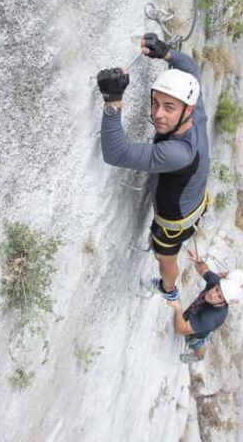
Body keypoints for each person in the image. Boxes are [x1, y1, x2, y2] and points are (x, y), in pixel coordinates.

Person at [97, 34, 209, 301]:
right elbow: (192, 69)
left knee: (164, 256)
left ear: (187, 110)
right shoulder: (197, 112)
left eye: (169, 107)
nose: (158, 114)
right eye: (156, 103)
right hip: (196, 202)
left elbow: (115, 154)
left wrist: (113, 100)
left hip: (173, 222)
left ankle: (168, 289)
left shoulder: (177, 153)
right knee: (171, 246)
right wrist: (165, 53)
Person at [167, 249, 243, 363]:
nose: (213, 294)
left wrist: (178, 309)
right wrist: (198, 260)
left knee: (196, 344)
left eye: (219, 297)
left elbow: (181, 329)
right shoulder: (216, 283)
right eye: (217, 289)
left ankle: (198, 357)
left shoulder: (211, 318)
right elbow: (204, 270)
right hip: (196, 318)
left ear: (224, 303)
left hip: (199, 332)